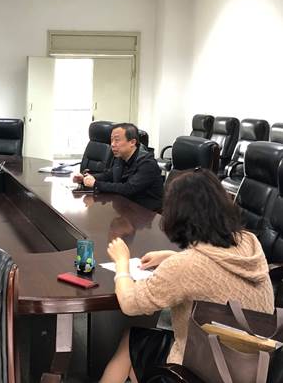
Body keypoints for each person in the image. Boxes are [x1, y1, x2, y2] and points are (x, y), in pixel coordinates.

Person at [100, 169, 274, 383]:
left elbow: (130, 303)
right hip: (253, 366)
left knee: (130, 341)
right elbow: (216, 268)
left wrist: (121, 263)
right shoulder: (249, 242)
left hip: (204, 369)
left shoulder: (186, 266)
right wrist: (172, 256)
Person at [73, 123, 163, 212]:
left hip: (146, 213)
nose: (112, 144)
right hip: (126, 206)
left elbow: (129, 188)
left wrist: (96, 184)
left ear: (132, 142)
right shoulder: (121, 157)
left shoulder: (147, 163)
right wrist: (85, 178)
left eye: (117, 140)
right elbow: (109, 175)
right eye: (111, 140)